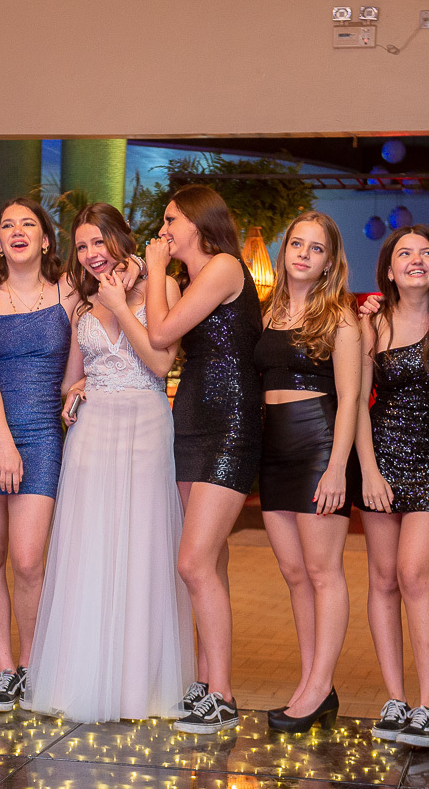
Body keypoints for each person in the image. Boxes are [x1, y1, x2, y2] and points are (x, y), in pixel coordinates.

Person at [26, 203, 194, 723]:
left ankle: (136, 685)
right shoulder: (80, 304)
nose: (91, 254)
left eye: (98, 242)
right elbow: (72, 376)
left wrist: (121, 305)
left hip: (147, 422)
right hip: (94, 431)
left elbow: (162, 361)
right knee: (91, 546)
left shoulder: (156, 286)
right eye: (81, 247)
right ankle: (81, 677)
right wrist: (74, 389)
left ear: (120, 238)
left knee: (143, 545)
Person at [144, 184, 263, 734]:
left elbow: (162, 331)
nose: (163, 229)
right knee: (209, 562)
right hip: (189, 417)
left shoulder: (222, 267)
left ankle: (222, 693)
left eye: (171, 219)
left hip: (229, 423)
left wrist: (152, 269)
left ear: (197, 221)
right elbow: (163, 351)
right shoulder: (193, 279)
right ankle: (207, 681)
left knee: (191, 561)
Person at [0, 197, 80, 711]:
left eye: (28, 224)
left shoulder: (70, 292)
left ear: (47, 240)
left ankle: (31, 665)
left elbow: (79, 363)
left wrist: (83, 390)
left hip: (42, 434)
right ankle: (5, 669)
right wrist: (3, 443)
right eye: (6, 225)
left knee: (28, 560)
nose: (17, 231)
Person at [254, 211, 361, 734]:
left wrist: (339, 466)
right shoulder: (267, 313)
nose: (303, 253)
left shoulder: (341, 317)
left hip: (320, 444)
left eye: (316, 248)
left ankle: (320, 687)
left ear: (328, 262)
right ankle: (311, 682)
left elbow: (350, 400)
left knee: (323, 573)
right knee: (295, 574)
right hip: (274, 448)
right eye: (297, 243)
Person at [355, 226, 429, 747]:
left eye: (426, 252)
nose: (417, 259)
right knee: (382, 579)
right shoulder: (371, 323)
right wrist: (368, 470)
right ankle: (395, 700)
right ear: (390, 269)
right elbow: (355, 402)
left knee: (414, 572)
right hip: (379, 462)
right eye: (405, 253)